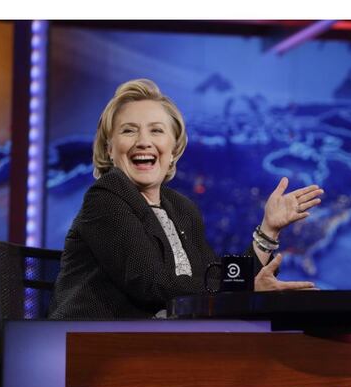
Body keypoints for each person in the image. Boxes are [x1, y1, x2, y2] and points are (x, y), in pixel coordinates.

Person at [48, 79, 323, 319]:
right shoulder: (106, 197)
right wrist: (245, 288)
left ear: (174, 149)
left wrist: (268, 230)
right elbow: (151, 284)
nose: (144, 141)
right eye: (129, 130)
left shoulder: (180, 207)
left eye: (156, 130)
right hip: (85, 350)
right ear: (109, 149)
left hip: (154, 348)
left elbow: (212, 279)